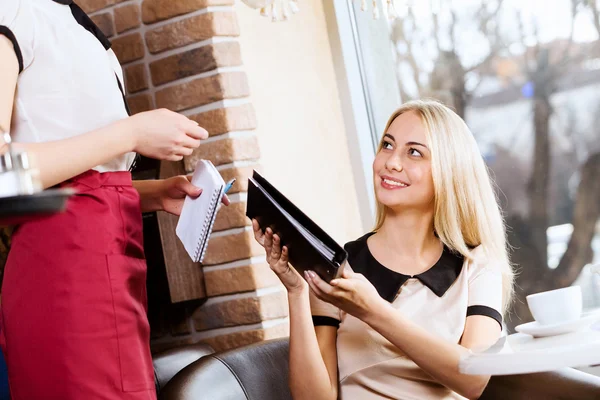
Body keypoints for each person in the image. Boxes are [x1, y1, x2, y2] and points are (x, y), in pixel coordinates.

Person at [0, 0, 228, 399]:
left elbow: (77, 179)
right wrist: (131, 134)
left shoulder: (73, 23)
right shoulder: (13, 13)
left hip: (107, 263)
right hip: (64, 273)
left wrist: (151, 193)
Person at [252, 99, 514, 399]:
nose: (391, 162)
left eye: (414, 152)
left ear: (449, 171)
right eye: (387, 145)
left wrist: (373, 310)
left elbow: (474, 379)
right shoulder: (338, 268)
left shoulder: (477, 264)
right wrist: (297, 292)